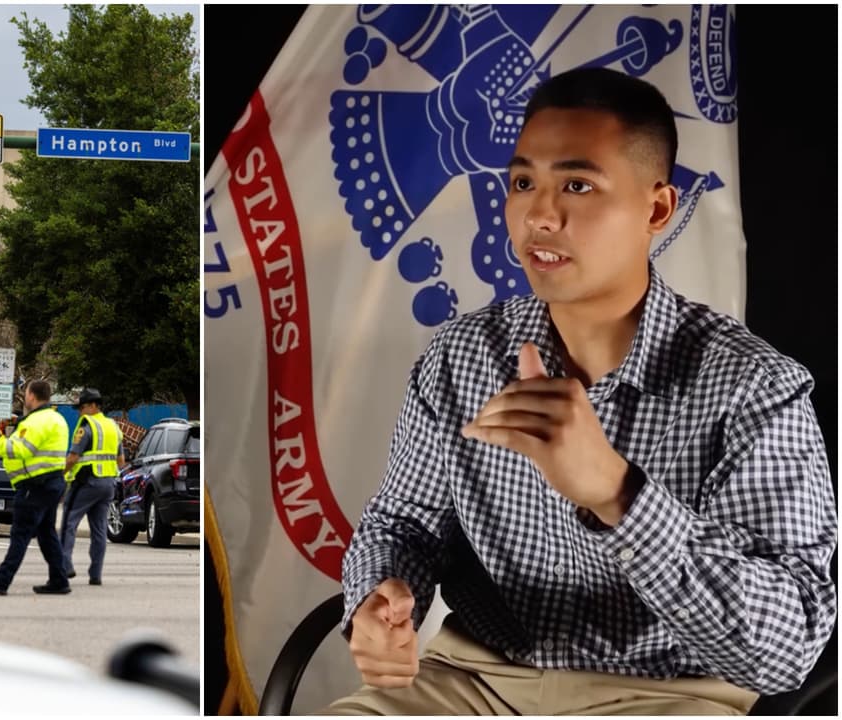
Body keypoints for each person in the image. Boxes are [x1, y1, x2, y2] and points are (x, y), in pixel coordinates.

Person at [326, 68, 837, 716]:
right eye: (521, 183)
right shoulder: (460, 358)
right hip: (470, 683)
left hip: (664, 695)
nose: (539, 213)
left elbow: (785, 650)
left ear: (657, 208)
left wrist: (618, 494)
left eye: (576, 184)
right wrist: (380, 597)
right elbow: (404, 525)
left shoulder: (753, 388)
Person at [0, 380, 71, 596]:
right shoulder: (58, 419)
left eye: (26, 393)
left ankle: (2, 580)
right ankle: (59, 580)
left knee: (20, 533)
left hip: (35, 484)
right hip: (53, 482)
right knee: (47, 533)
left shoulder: (36, 421)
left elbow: (19, 449)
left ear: (32, 396)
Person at [59, 389, 123, 586]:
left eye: (83, 407)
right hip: (108, 483)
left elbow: (73, 457)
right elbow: (121, 460)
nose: (80, 412)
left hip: (87, 481)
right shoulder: (113, 427)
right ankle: (96, 574)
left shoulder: (86, 427)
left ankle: (65, 565)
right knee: (99, 530)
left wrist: (58, 474)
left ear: (94, 406)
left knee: (69, 522)